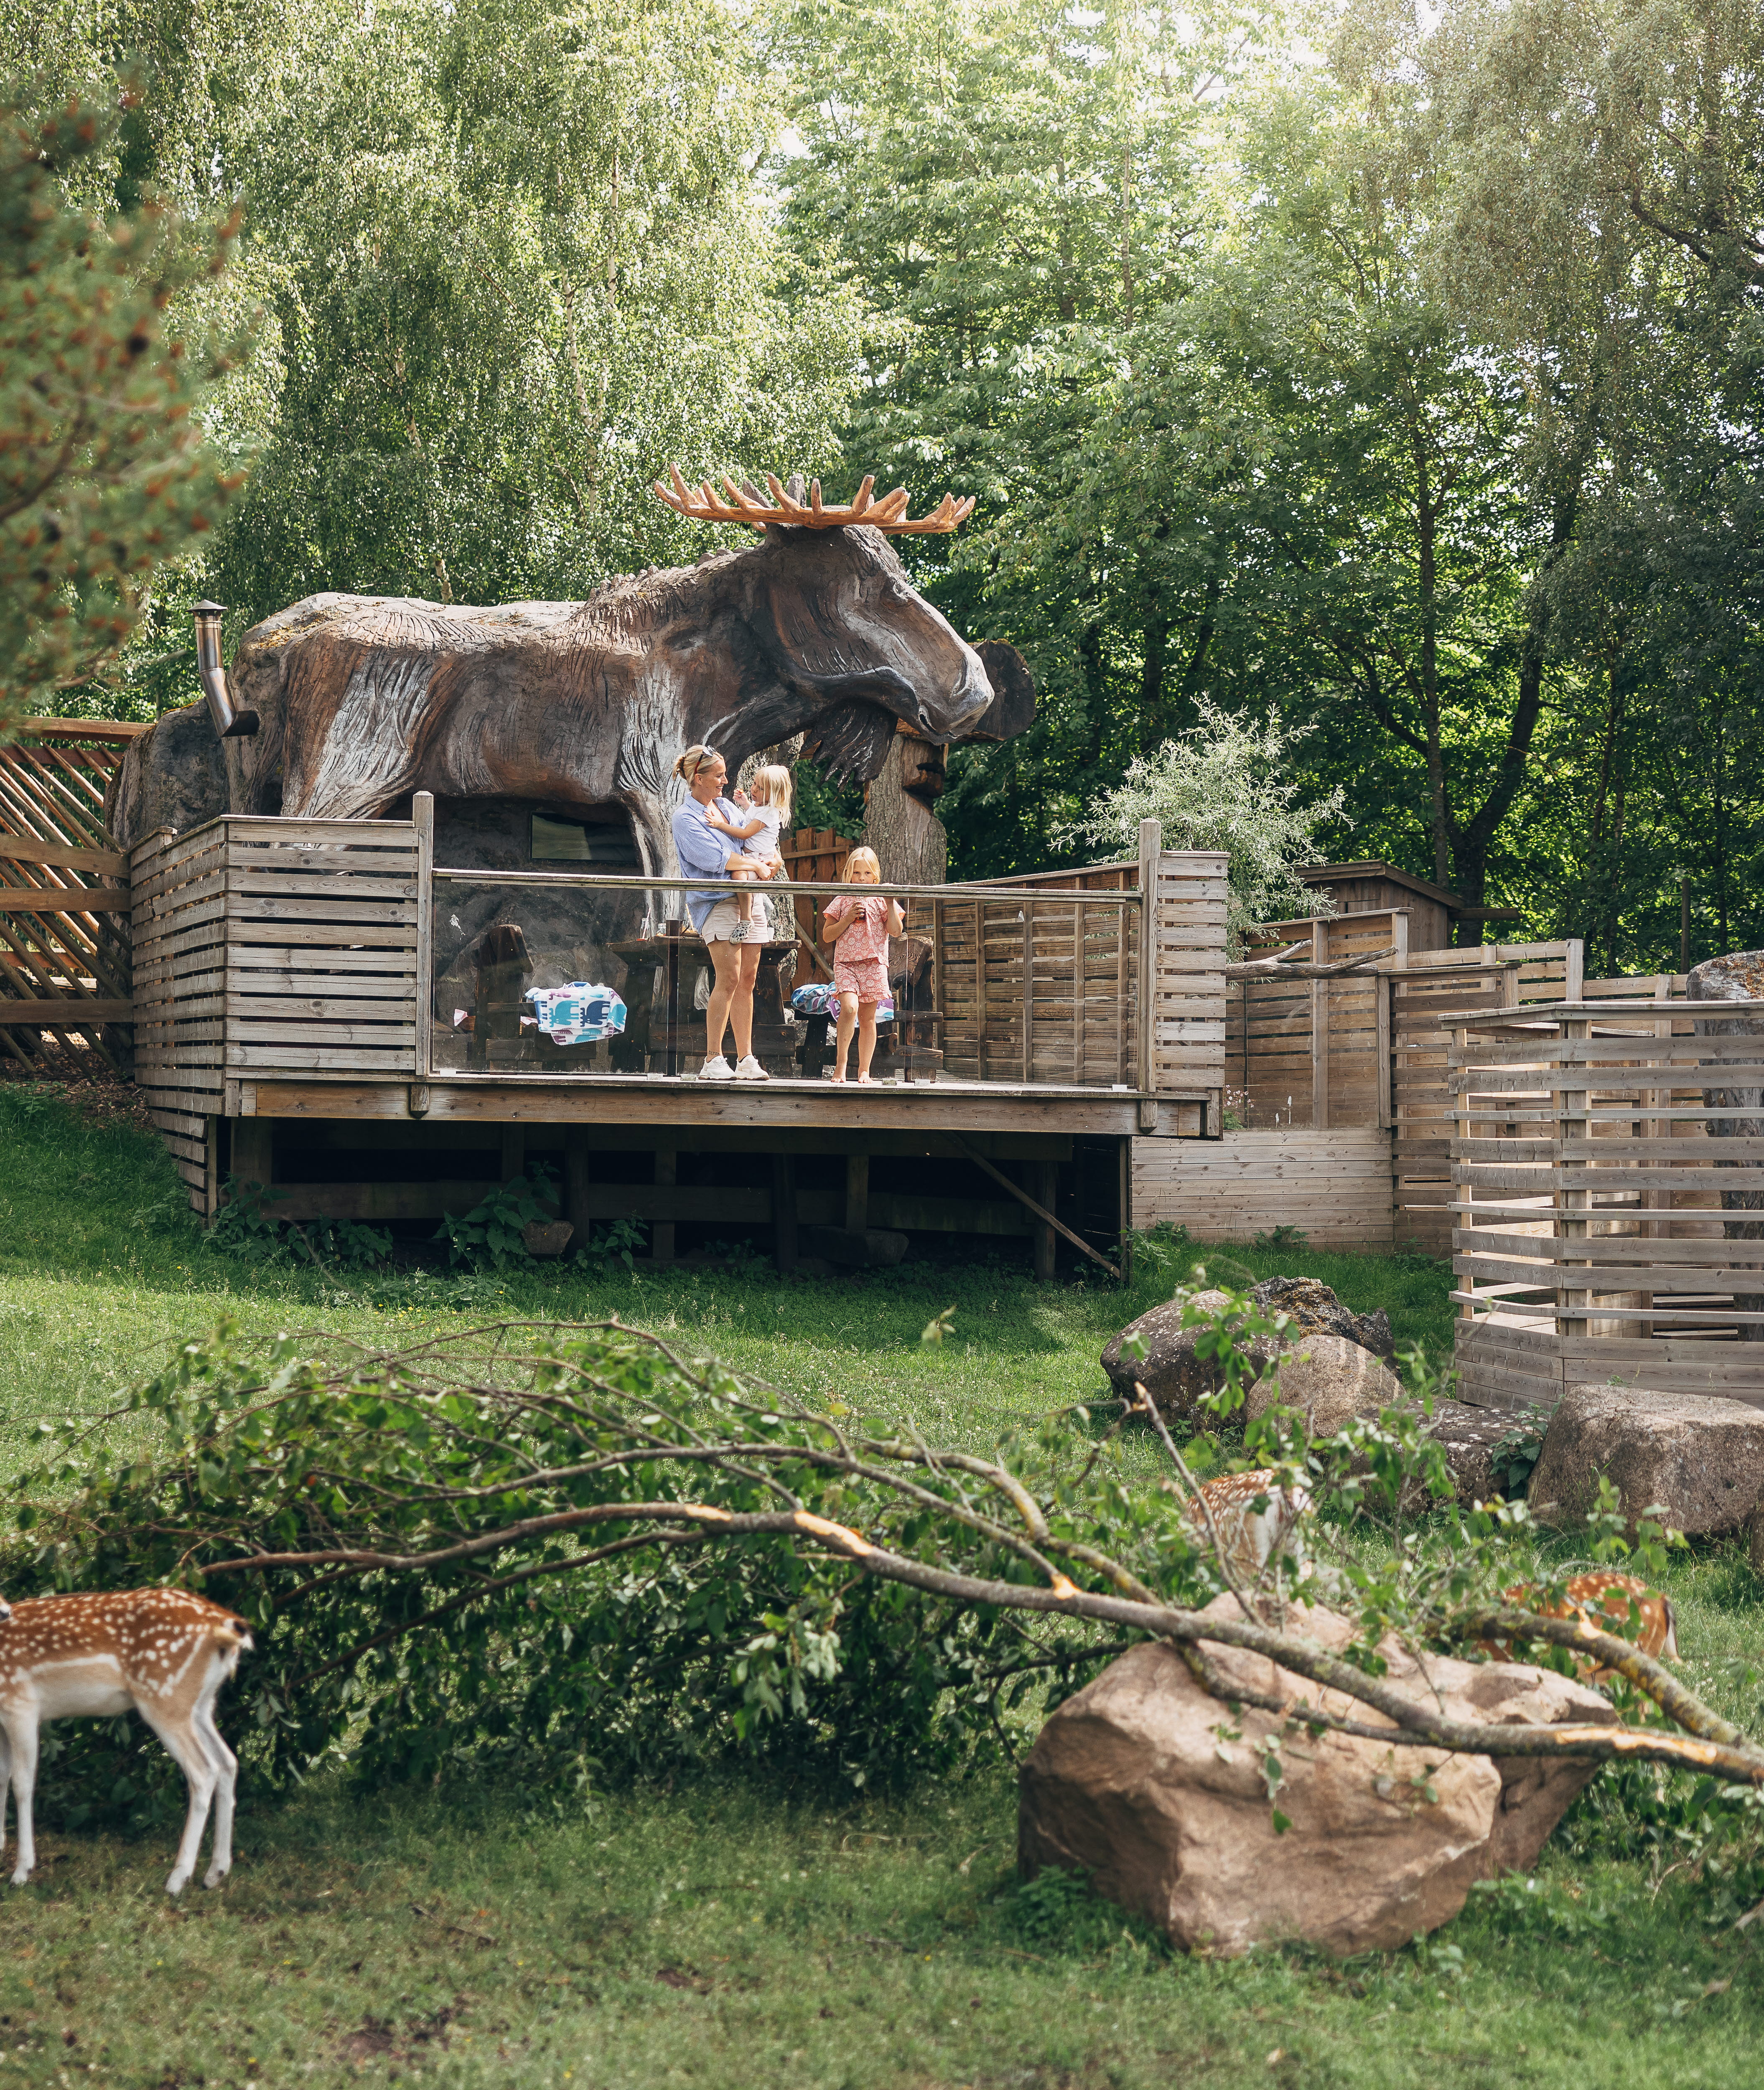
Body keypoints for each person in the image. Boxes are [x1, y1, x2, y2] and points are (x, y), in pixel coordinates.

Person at [669, 745, 767, 1082]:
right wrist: (756, 863)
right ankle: (713, 1058)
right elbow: (718, 860)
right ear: (698, 778)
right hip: (716, 903)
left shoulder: (726, 806)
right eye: (719, 775)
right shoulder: (685, 818)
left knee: (748, 979)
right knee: (727, 977)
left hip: (750, 899)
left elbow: (754, 841)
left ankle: (746, 1059)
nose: (725, 781)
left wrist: (763, 858)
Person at [820, 845, 903, 1084]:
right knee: (849, 1008)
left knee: (868, 1019)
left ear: (875, 875)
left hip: (875, 964)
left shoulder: (882, 901)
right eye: (857, 873)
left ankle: (864, 1070)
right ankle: (842, 1064)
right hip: (846, 963)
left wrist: (889, 902)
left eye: (867, 874)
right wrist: (847, 919)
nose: (862, 878)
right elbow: (827, 936)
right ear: (849, 874)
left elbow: (896, 932)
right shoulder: (842, 899)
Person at [705, 764, 792, 936]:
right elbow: (752, 814)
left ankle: (746, 919)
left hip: (759, 858)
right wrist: (745, 803)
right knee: (740, 877)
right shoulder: (760, 806)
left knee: (739, 876)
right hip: (751, 856)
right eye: (754, 784)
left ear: (774, 795)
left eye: (761, 788)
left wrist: (720, 825)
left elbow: (745, 834)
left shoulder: (769, 813)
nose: (754, 789)